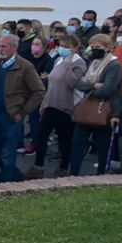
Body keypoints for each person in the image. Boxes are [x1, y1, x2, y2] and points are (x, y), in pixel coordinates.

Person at [0, 35, 45, 182]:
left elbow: (39, 91)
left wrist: (22, 112)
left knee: (8, 154)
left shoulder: (25, 66)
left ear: (14, 47)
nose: (0, 49)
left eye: (4, 46)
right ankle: (17, 177)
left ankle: (0, 186)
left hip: (12, 116)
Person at [26, 33, 85, 179]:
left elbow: (72, 82)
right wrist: (44, 102)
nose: (63, 49)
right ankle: (38, 166)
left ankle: (63, 167)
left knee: (65, 138)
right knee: (42, 135)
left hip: (66, 106)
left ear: (75, 48)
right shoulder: (58, 60)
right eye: (62, 46)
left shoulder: (78, 63)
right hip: (51, 103)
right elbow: (51, 82)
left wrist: (68, 64)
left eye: (67, 47)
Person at [69, 34, 122, 175]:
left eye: (98, 47)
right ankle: (73, 174)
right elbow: (79, 83)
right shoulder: (92, 62)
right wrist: (94, 85)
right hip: (87, 107)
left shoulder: (114, 65)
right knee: (77, 144)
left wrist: (90, 87)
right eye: (92, 47)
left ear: (107, 48)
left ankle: (101, 176)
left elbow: (107, 89)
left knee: (102, 147)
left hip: (104, 109)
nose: (94, 50)